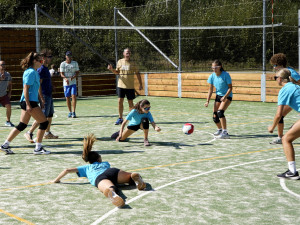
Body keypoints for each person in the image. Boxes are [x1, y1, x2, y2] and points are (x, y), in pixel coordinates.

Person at [52, 133, 146, 207]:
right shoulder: (105, 163)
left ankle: (113, 194)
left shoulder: (86, 167)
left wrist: (56, 180)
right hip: (113, 171)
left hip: (100, 178)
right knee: (129, 178)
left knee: (110, 188)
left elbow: (67, 170)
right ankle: (134, 177)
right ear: (99, 159)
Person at [0, 52, 50, 155]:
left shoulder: (34, 72)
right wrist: (28, 104)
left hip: (30, 101)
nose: (42, 62)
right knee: (44, 123)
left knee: (22, 125)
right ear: (34, 61)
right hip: (29, 102)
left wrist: (40, 100)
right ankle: (38, 148)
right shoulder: (31, 72)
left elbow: (35, 89)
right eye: (40, 61)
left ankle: (4, 145)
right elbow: (26, 89)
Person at [268, 68, 300, 179]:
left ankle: (292, 172)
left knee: (285, 139)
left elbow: (278, 115)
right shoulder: (296, 86)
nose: (275, 79)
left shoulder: (284, 90)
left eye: (275, 77)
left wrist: (272, 127)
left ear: (280, 79)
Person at [24, 49, 58, 143]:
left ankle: (47, 133)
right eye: (49, 57)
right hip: (45, 95)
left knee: (50, 115)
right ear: (44, 58)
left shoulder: (46, 68)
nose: (51, 58)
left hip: (49, 94)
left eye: (51, 56)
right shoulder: (41, 69)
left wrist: (52, 86)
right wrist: (42, 98)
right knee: (42, 117)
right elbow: (39, 84)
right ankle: (29, 132)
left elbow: (46, 81)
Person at [269, 53, 300, 144]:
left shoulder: (290, 72)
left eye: (275, 65)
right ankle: (280, 136)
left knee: (280, 115)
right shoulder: (283, 73)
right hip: (291, 96)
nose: (274, 67)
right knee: (281, 115)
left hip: (294, 96)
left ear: (281, 64)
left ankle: (281, 137)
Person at [107, 48, 143, 125]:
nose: (128, 53)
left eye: (129, 52)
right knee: (120, 101)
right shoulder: (120, 61)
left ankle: (132, 118)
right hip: (121, 85)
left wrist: (140, 84)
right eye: (127, 52)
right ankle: (120, 118)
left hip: (130, 86)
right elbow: (117, 72)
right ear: (123, 53)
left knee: (130, 103)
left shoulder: (133, 63)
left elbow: (138, 73)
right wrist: (112, 69)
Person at [204, 59, 233, 139]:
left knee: (220, 112)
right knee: (215, 117)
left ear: (220, 67)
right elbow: (210, 90)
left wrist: (225, 96)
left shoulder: (226, 75)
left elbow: (230, 88)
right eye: (212, 68)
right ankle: (219, 129)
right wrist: (207, 101)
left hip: (227, 96)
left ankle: (225, 132)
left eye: (215, 67)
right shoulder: (212, 76)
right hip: (218, 96)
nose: (214, 69)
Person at [60, 51, 79, 118]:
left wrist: (74, 77)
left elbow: (77, 72)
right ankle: (70, 112)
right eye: (68, 56)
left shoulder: (75, 63)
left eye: (70, 56)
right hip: (66, 83)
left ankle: (74, 112)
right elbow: (61, 74)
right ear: (66, 56)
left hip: (73, 82)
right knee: (67, 97)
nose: (69, 57)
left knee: (73, 96)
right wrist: (65, 79)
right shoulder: (62, 64)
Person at [0, 60, 14, 127]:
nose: (3, 66)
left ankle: (8, 121)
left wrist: (9, 92)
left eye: (4, 64)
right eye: (2, 64)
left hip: (3, 95)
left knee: (9, 106)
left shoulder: (8, 74)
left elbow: (10, 84)